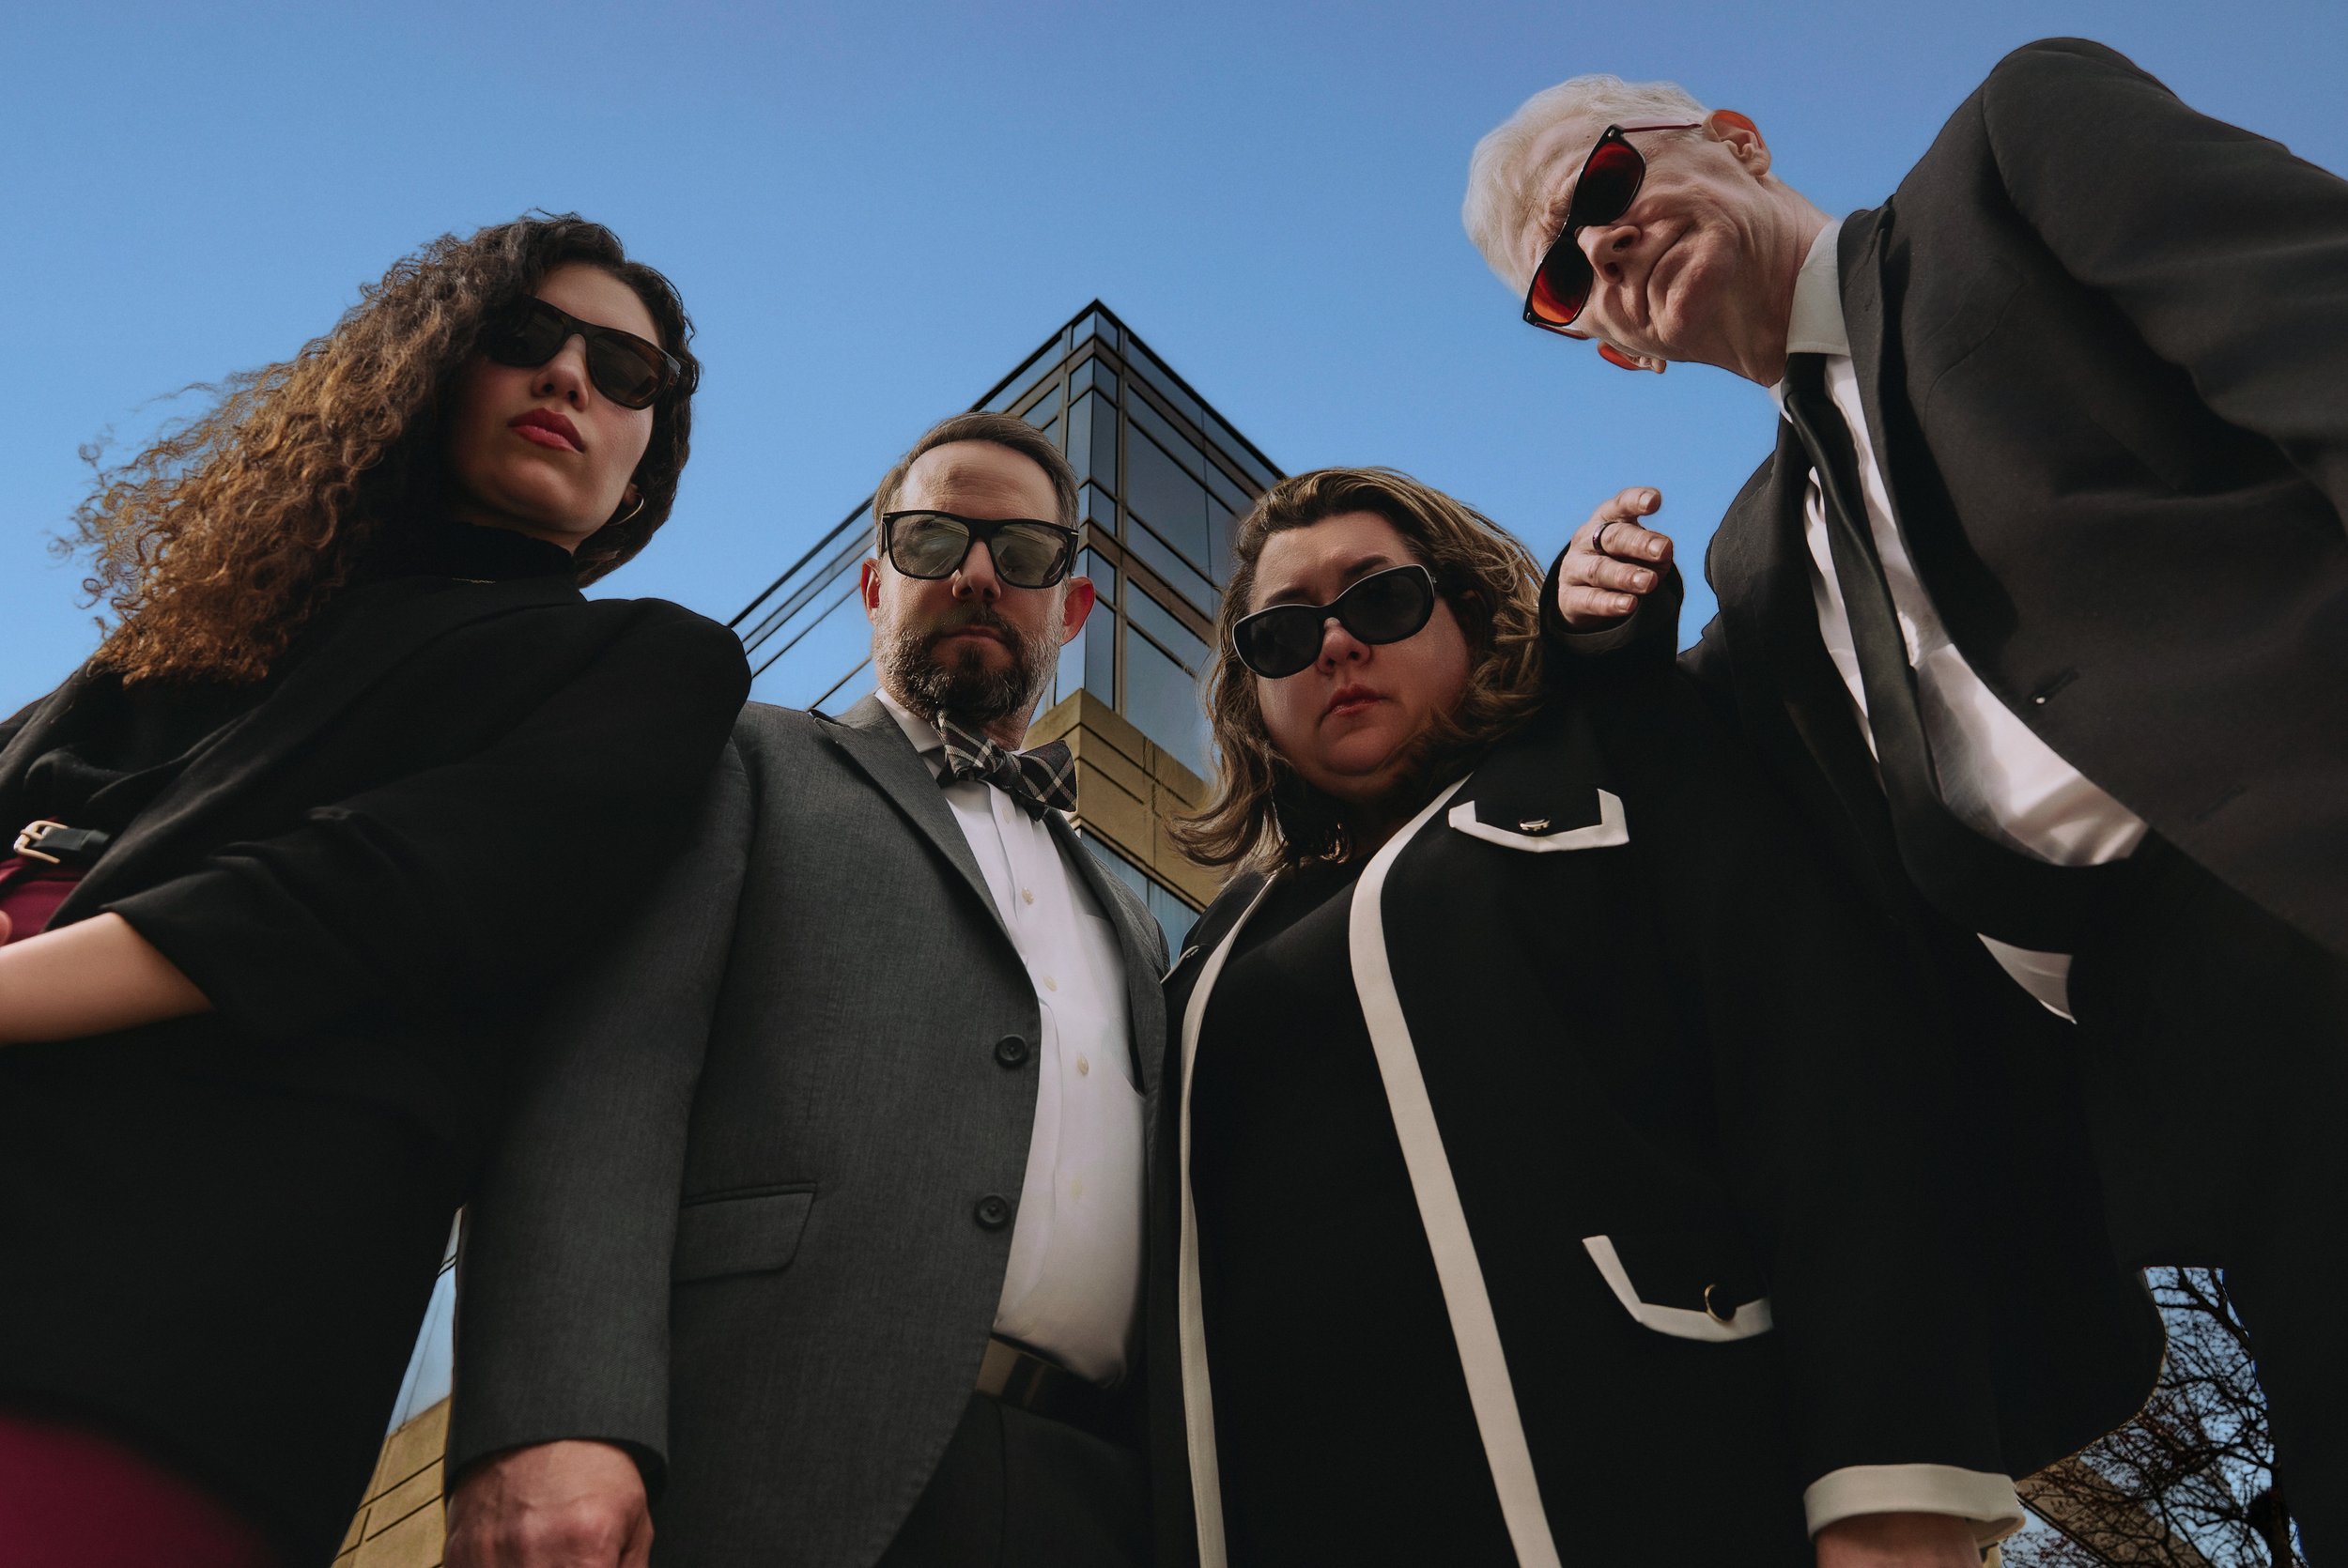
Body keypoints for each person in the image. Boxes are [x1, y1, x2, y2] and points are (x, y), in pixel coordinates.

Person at [1462, 37, 2348, 1555]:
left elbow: (2322, 334)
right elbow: (1713, 845)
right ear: (1608, 345)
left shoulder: (2008, 161)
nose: (1598, 241)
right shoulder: (1753, 568)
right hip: (2184, 1071)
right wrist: (1595, 652)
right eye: (1558, 279)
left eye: (1606, 179)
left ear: (1730, 137)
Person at [1148, 466, 2160, 1568]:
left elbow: (1832, 1096)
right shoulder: (1213, 943)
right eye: (1281, 634)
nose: (1334, 645)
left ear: (1473, 609)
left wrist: (1894, 1489)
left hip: (1665, 1485)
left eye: (1378, 599)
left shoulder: (1617, 762)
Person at [0, 214, 748, 1566]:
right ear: (424, 368)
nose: (572, 378)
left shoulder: (647, 668)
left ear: (650, 451)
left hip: (139, 1341)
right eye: (523, 338)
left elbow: (363, 896)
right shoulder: (157, 657)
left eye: (628, 373)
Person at [445, 411, 1166, 1568]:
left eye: (1023, 553)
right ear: (875, 584)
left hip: (1097, 1495)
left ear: (1068, 608)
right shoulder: (745, 760)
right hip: (772, 1455)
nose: (979, 575)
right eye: (935, 542)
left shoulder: (1129, 917)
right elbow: (597, 1083)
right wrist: (556, 1415)